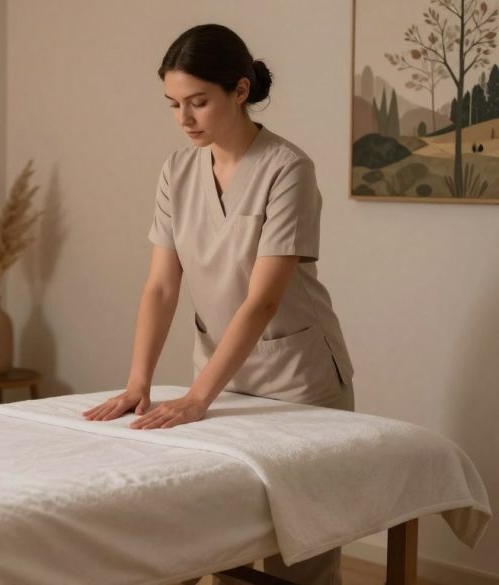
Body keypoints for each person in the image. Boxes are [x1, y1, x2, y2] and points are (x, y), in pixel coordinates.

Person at [80, 23, 354, 585]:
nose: (184, 120)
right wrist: (140, 384)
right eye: (173, 104)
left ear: (240, 90)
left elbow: (263, 299)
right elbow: (161, 287)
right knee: (221, 537)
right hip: (220, 374)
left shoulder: (287, 169)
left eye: (198, 102)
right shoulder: (177, 171)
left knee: (299, 556)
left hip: (296, 380)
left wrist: (199, 399)